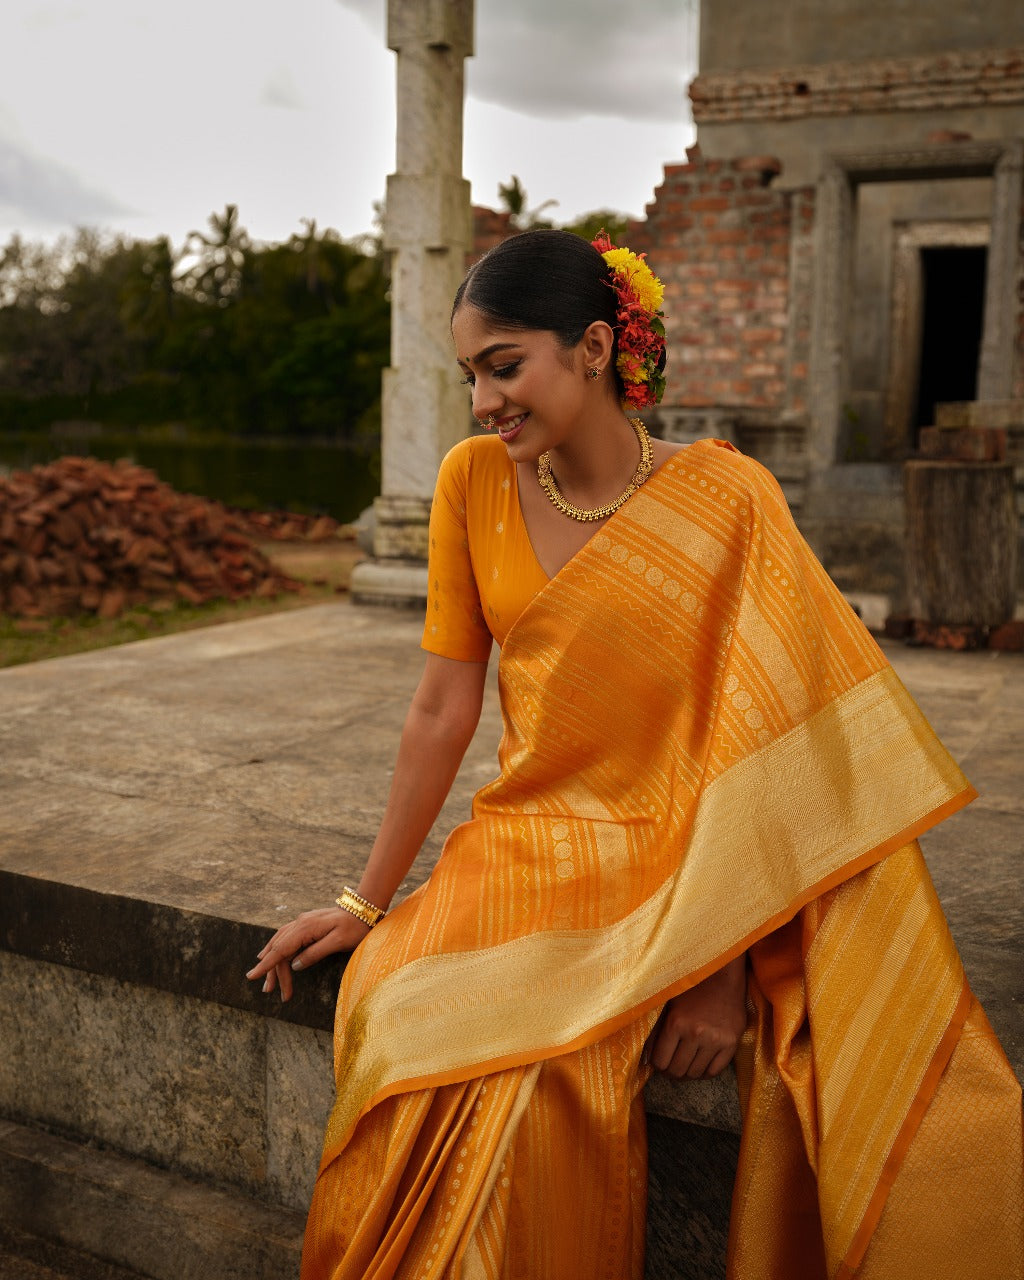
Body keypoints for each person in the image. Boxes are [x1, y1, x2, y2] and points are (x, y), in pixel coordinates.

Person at [247, 230, 1022, 1280]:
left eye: (504, 365)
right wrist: (364, 900)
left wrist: (718, 967)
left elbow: (762, 747)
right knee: (404, 1016)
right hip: (527, 838)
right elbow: (441, 706)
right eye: (469, 375)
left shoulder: (728, 499)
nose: (482, 402)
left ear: (596, 347)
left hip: (680, 856)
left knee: (544, 1077)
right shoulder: (472, 482)